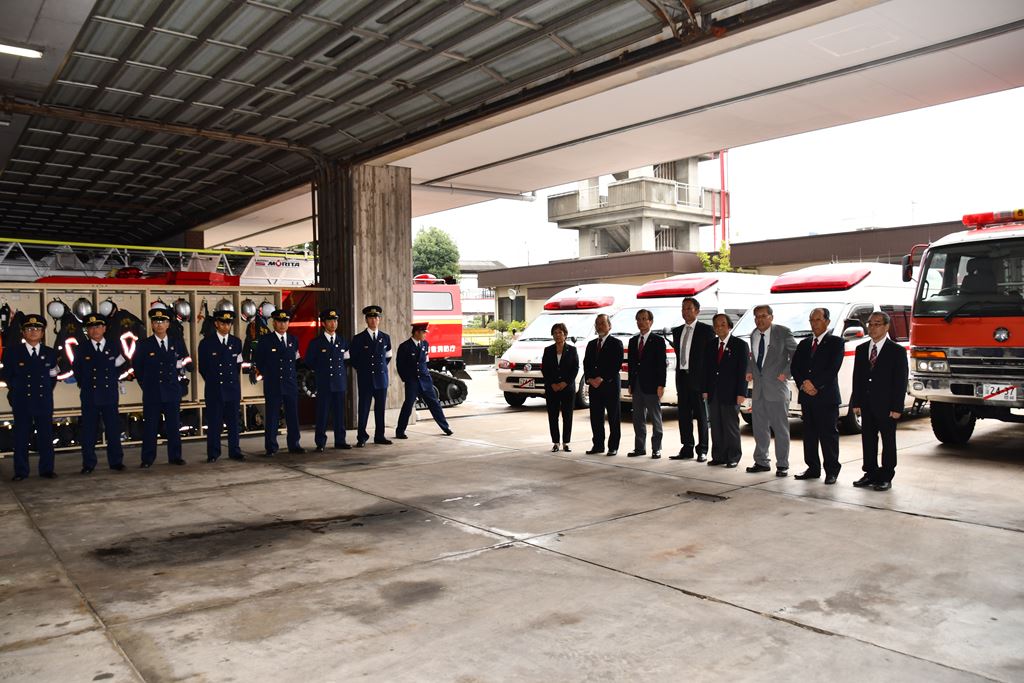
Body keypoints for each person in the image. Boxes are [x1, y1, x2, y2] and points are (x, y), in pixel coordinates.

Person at [850, 311, 909, 491]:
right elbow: (857, 377)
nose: (873, 327)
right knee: (868, 439)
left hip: (887, 405)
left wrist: (897, 407)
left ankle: (886, 475)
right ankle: (870, 472)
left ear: (886, 326)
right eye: (870, 324)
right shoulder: (861, 349)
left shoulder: (896, 351)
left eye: (877, 324)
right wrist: (856, 402)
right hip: (866, 404)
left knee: (888, 441)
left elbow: (900, 381)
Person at [790, 307, 844, 484]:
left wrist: (815, 384)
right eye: (812, 320)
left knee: (828, 435)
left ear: (827, 322)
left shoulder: (836, 342)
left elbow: (833, 368)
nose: (814, 324)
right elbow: (795, 367)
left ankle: (832, 471)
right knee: (809, 435)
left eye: (818, 320)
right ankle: (813, 468)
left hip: (826, 397)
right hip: (807, 396)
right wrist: (803, 383)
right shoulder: (804, 343)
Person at [1, 314, 58, 481]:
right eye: (29, 329)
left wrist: (45, 391)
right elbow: (6, 375)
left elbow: (52, 377)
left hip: (43, 401)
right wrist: (17, 389)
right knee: (21, 437)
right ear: (23, 332)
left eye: (37, 329)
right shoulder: (12, 352)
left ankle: (47, 469)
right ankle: (21, 471)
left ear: (43, 332)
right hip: (22, 401)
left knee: (45, 437)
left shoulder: (50, 353)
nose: (33, 332)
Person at [135, 307, 192, 467]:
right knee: (150, 427)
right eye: (156, 322)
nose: (159, 325)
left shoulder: (176, 343)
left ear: (168, 324)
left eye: (163, 321)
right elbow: (138, 368)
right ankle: (147, 459)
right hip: (152, 392)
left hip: (172, 390)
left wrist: (179, 384)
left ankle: (175, 456)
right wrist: (146, 385)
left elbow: (185, 362)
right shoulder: (144, 345)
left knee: (173, 426)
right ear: (152, 324)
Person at [745, 305, 797, 477]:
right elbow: (754, 358)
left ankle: (782, 464)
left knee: (780, 429)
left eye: (763, 316)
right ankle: (761, 461)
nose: (759, 319)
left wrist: (786, 373)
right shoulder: (753, 334)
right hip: (758, 390)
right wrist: (749, 370)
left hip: (776, 388)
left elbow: (796, 355)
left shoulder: (782, 332)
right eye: (756, 316)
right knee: (759, 428)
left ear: (771, 317)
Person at [72, 313, 127, 474]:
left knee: (113, 429)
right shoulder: (81, 348)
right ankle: (88, 464)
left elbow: (122, 365)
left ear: (104, 328)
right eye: (91, 327)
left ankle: (116, 461)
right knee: (89, 431)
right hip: (90, 395)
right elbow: (77, 370)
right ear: (87, 330)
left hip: (109, 394)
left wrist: (113, 379)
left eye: (98, 326)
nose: (95, 330)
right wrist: (86, 384)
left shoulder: (114, 346)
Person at [253, 309, 305, 456]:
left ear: (288, 323)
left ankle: (294, 444)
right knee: (272, 416)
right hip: (273, 384)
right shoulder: (265, 340)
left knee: (292, 416)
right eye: (279, 322)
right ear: (274, 323)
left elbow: (296, 361)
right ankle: (271, 447)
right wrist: (269, 375)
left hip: (290, 383)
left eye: (285, 321)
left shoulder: (293, 340)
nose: (282, 325)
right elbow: (259, 362)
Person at [669, 297, 714, 462]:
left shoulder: (706, 330)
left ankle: (702, 449)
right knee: (684, 415)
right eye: (683, 308)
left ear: (697, 311)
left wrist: (707, 384)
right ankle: (687, 448)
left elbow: (710, 359)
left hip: (699, 380)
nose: (685, 311)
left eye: (689, 308)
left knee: (701, 416)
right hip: (682, 378)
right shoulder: (677, 331)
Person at [198, 309, 244, 462]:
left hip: (232, 389)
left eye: (228, 323)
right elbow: (203, 368)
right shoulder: (206, 343)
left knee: (233, 423)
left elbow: (237, 365)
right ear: (216, 324)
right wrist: (214, 381)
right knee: (214, 423)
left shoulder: (236, 342)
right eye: (223, 323)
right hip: (215, 389)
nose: (226, 326)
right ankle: (213, 453)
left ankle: (234, 451)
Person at [703, 313, 748, 467]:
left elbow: (743, 371)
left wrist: (741, 392)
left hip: (731, 392)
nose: (719, 327)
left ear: (729, 326)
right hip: (713, 392)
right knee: (716, 425)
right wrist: (705, 389)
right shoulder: (710, 345)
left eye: (723, 324)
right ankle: (718, 456)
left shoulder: (740, 345)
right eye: (716, 325)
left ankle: (733, 456)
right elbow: (706, 369)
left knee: (730, 426)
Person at [396, 322, 454, 439]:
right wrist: (407, 379)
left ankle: (445, 427)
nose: (425, 335)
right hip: (412, 381)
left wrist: (426, 375)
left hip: (425, 380)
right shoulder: (405, 346)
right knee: (408, 405)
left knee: (434, 404)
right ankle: (400, 431)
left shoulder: (425, 344)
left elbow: (425, 362)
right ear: (416, 332)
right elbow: (400, 365)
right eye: (423, 332)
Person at [305, 308, 352, 452]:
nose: (333, 323)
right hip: (324, 383)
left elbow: (347, 361)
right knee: (322, 414)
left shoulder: (342, 341)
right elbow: (309, 362)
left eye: (335, 320)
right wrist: (321, 371)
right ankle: (320, 442)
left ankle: (340, 440)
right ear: (324, 323)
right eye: (330, 321)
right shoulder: (316, 343)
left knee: (339, 414)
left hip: (339, 383)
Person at [350, 305, 393, 447]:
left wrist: (379, 369)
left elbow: (388, 357)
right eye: (370, 318)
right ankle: (361, 437)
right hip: (366, 379)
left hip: (381, 379)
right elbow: (353, 359)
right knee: (363, 409)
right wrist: (364, 370)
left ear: (379, 319)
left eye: (376, 318)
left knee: (380, 409)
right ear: (366, 320)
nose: (373, 320)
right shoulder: (358, 338)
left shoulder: (385, 338)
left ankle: (380, 435)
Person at [627, 309, 667, 458]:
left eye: (644, 319)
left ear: (651, 321)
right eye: (638, 319)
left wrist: (661, 385)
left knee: (655, 418)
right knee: (638, 418)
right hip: (637, 385)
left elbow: (661, 365)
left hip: (652, 386)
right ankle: (639, 447)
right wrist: (630, 383)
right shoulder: (633, 341)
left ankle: (656, 448)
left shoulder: (658, 341)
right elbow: (631, 364)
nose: (641, 322)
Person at [583, 313, 623, 456]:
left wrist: (602, 378)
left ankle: (613, 446)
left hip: (610, 385)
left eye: (602, 323)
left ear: (609, 326)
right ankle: (598, 445)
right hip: (594, 387)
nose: (599, 326)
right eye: (597, 323)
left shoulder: (616, 343)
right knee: (596, 417)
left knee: (613, 417)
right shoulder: (591, 344)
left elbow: (616, 364)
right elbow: (586, 363)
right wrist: (590, 379)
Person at [541, 322, 579, 452]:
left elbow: (575, 368)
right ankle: (556, 442)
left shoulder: (572, 350)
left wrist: (564, 383)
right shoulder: (548, 350)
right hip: (552, 388)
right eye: (555, 333)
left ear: (565, 335)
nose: (557, 335)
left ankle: (566, 442)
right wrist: (552, 383)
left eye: (560, 333)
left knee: (567, 416)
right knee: (553, 416)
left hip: (567, 388)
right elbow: (545, 369)